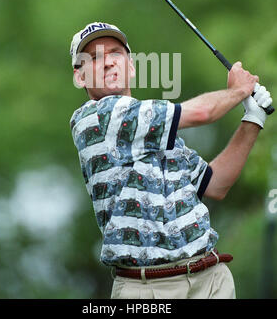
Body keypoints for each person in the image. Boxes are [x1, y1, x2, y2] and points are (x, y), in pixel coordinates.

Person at [69, 21, 273, 299]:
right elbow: (201, 114)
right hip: (147, 289)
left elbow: (215, 184)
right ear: (80, 77)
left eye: (116, 53)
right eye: (94, 58)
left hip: (212, 279)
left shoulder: (157, 128)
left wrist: (253, 118)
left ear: (131, 66)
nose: (107, 63)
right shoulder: (94, 118)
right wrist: (237, 91)